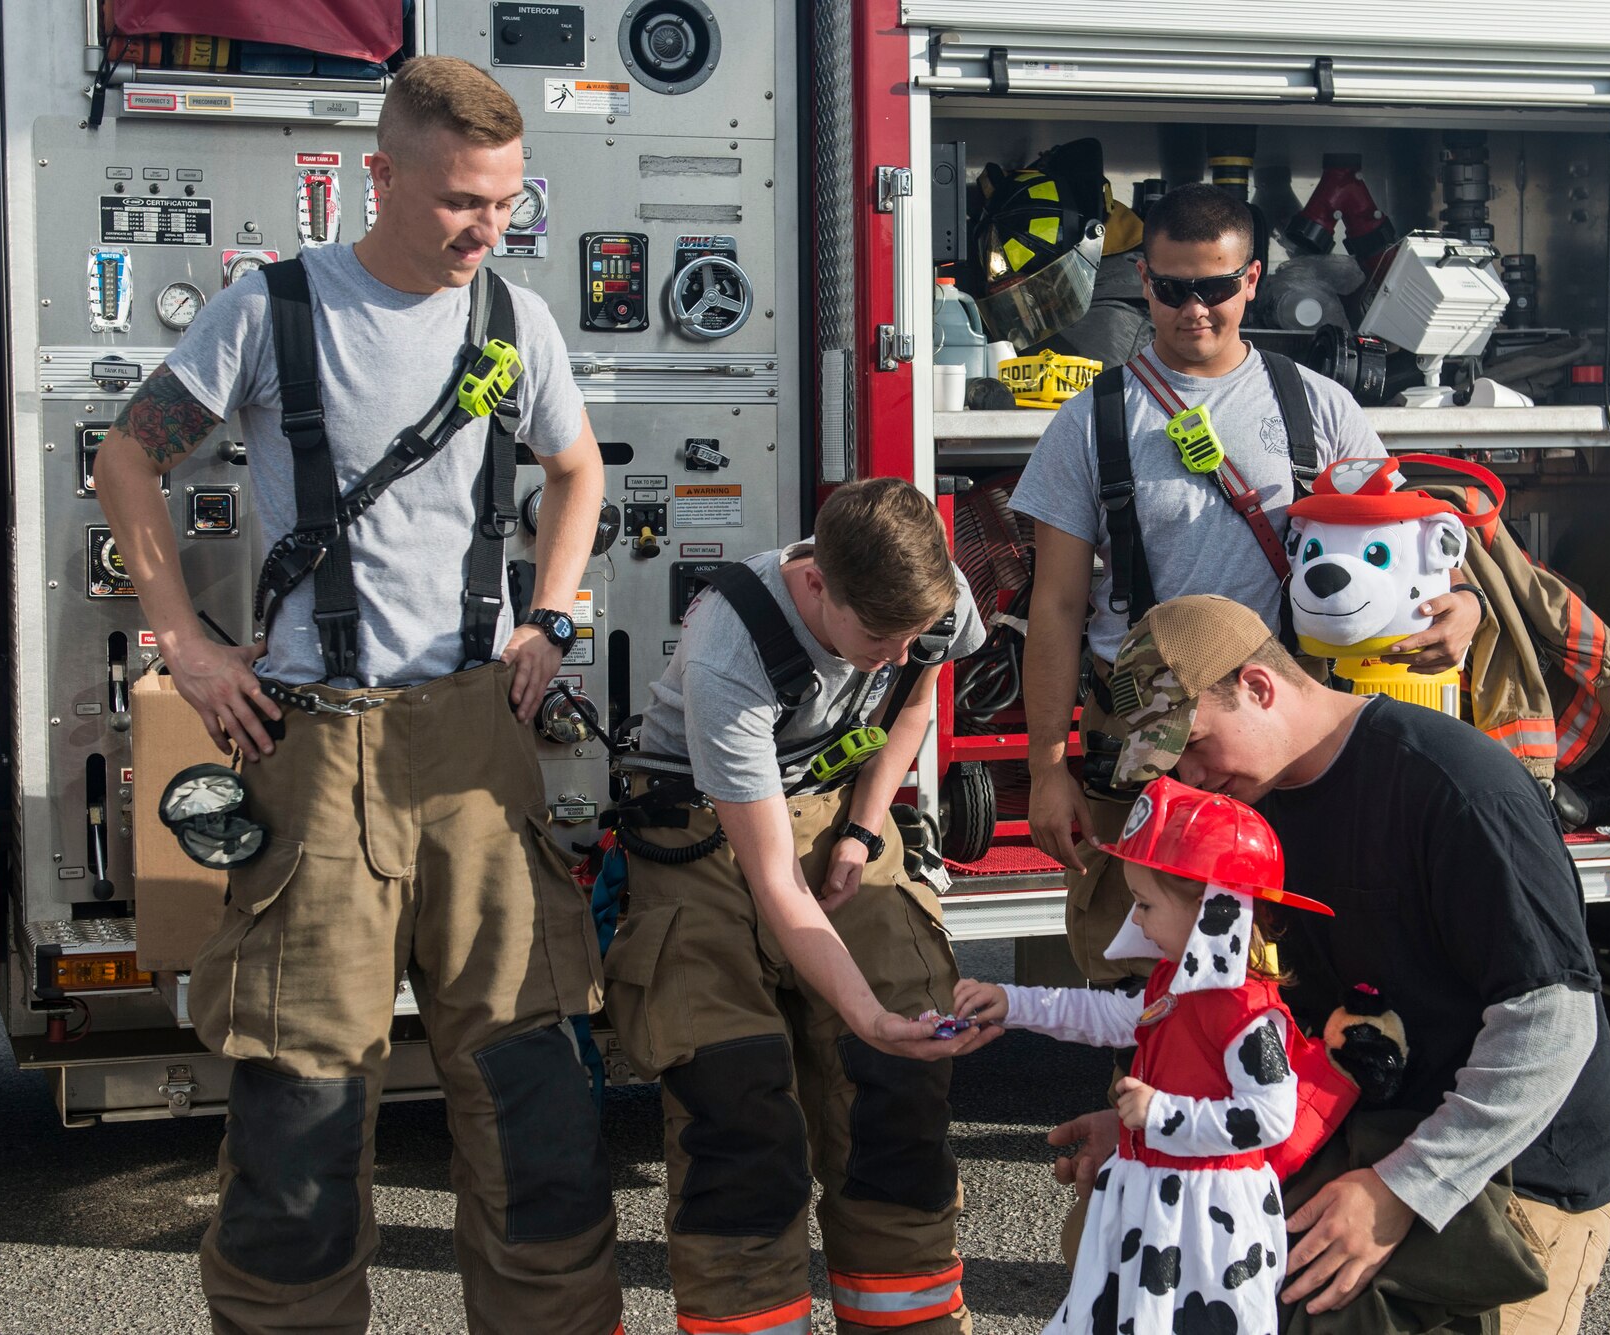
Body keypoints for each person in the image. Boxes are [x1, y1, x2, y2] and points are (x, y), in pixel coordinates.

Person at [94, 57, 621, 1335]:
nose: (483, 229)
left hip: (474, 745)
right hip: (313, 750)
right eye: (456, 201)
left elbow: (576, 467)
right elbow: (127, 453)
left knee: (537, 1104)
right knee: (301, 1120)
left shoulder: (514, 319)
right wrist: (189, 645)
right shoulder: (272, 309)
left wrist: (550, 613)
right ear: (377, 178)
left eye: (501, 203)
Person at [1070, 593, 1610, 1334]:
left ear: (1258, 686)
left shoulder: (1456, 785)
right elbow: (1233, 1014)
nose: (1191, 775)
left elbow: (1551, 1025)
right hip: (1366, 1127)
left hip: (1520, 1163)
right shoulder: (1249, 803)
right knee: (1114, 1234)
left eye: (1196, 742)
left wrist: (1399, 1191)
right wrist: (1158, 1130)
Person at [1005, 182, 1483, 984]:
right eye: (1173, 288)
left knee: (1305, 971)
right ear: (1143, 283)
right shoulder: (1090, 422)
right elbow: (1054, 608)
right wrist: (1047, 767)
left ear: (1253, 279)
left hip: (1290, 745)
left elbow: (1406, 549)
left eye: (1217, 287)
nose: (1196, 310)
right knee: (1146, 988)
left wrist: (1462, 602)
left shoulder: (1320, 408)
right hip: (1147, 744)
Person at [604, 477, 996, 1335]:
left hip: (834, 806)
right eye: (877, 637)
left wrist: (862, 830)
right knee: (737, 1107)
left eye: (911, 634)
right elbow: (776, 883)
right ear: (817, 583)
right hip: (706, 829)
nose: (896, 654)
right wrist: (862, 1013)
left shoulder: (928, 602)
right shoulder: (728, 648)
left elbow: (916, 697)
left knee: (902, 1076)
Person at [956, 776, 1339, 1335]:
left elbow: (1271, 1118)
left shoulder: (1248, 1017)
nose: (1134, 921)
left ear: (1213, 913)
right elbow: (1108, 1016)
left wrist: (1162, 1115)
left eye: (1144, 904)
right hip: (1156, 1206)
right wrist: (1011, 1002)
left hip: (1208, 1231)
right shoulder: (1173, 985)